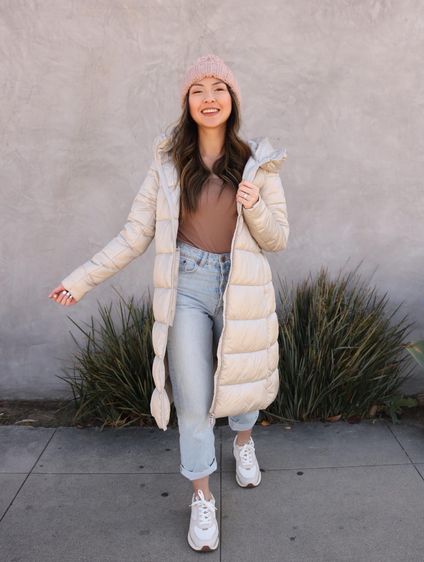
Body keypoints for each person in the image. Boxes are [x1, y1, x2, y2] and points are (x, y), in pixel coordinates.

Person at [48, 53, 289, 552]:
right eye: (197, 89)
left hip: (242, 285)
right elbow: (134, 235)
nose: (208, 97)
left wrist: (256, 204)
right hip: (188, 286)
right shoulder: (166, 164)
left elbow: (278, 238)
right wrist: (81, 279)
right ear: (187, 102)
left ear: (232, 100)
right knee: (195, 400)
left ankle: (243, 441)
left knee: (242, 382)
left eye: (218, 87)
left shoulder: (257, 162)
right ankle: (202, 497)